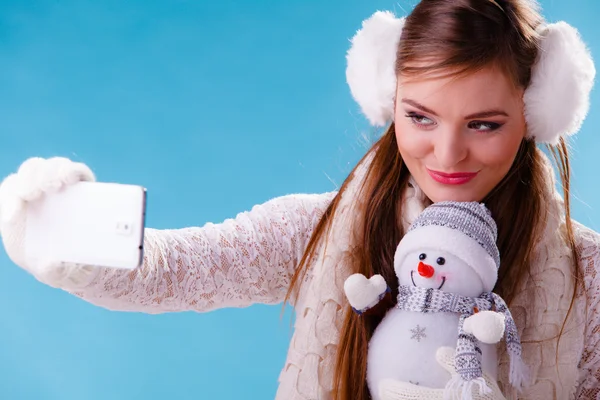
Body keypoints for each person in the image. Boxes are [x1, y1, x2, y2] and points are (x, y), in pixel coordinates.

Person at [0, 0, 598, 399]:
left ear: (537, 114)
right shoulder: (316, 229)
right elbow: (175, 270)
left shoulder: (588, 278)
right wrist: (58, 236)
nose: (446, 155)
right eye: (420, 117)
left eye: (484, 125)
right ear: (387, 103)